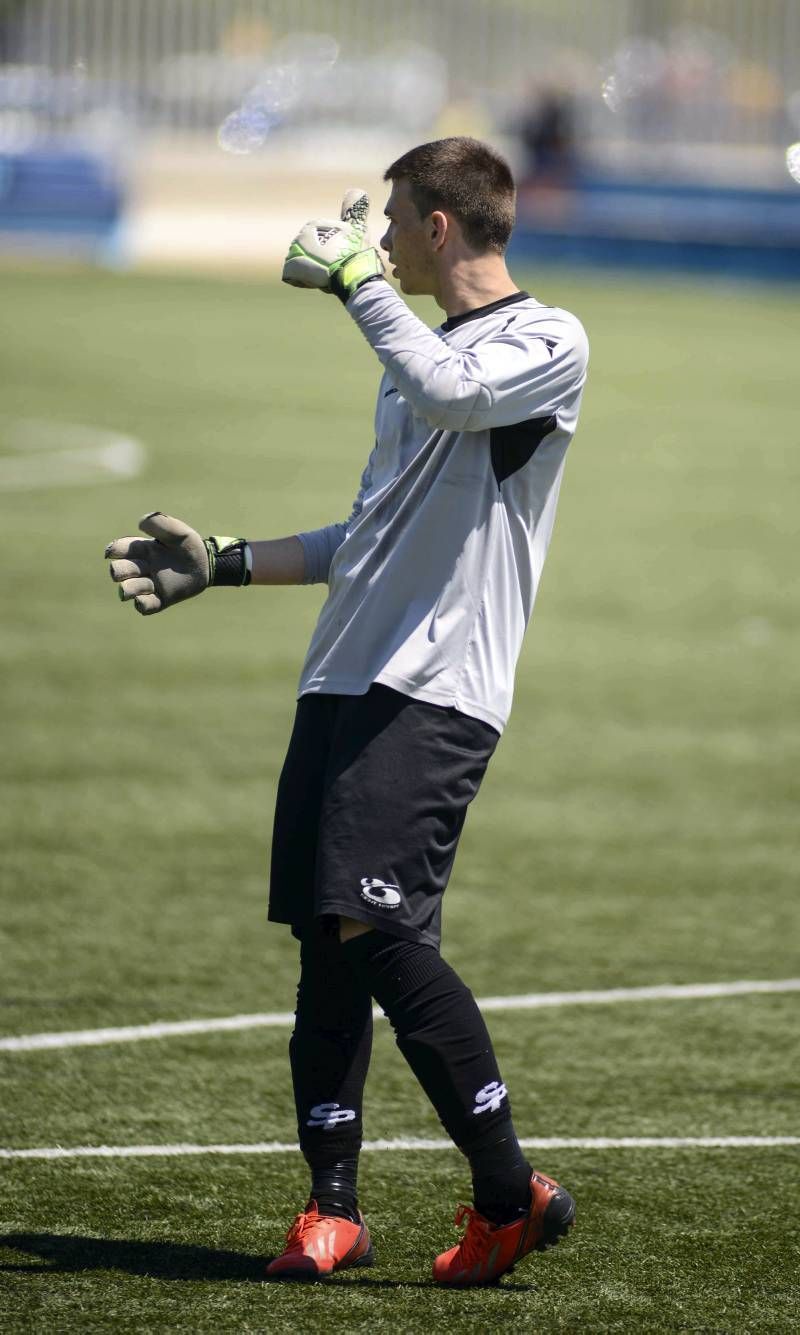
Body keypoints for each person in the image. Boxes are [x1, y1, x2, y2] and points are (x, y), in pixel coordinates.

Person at [105, 136, 589, 1287]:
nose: (372, 240)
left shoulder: (544, 339)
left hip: (436, 687)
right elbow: (362, 533)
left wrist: (357, 288)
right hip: (342, 677)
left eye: (388, 221)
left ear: (437, 223)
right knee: (326, 948)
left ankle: (506, 1190)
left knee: (377, 932)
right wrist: (223, 563)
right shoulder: (408, 354)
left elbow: (453, 391)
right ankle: (332, 1210)